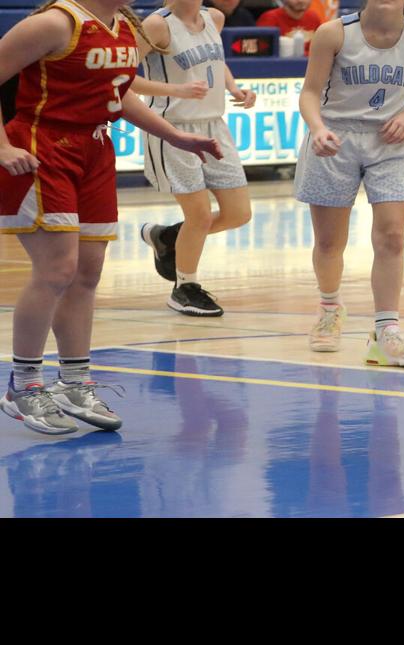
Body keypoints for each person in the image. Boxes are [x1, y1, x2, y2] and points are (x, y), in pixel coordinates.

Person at [1, 0, 223, 435]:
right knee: (56, 270)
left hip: (96, 149)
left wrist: (175, 136)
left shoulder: (122, 26)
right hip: (43, 146)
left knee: (87, 273)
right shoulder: (55, 23)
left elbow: (119, 95)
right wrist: (2, 147)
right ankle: (23, 386)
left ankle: (74, 382)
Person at [296, 0, 404, 365]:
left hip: (392, 140)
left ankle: (386, 332)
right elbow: (310, 92)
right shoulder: (333, 33)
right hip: (336, 136)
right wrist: (317, 128)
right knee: (329, 242)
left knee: (392, 236)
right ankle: (330, 308)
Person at [131, 0, 258, 318]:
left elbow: (215, 62)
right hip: (171, 127)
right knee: (199, 216)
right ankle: (184, 288)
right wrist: (176, 90)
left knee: (239, 213)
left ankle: (169, 236)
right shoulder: (157, 25)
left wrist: (234, 88)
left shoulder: (214, 17)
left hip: (214, 125)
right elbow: (120, 76)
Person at [257, 0, 326, 54]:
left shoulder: (313, 17)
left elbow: (322, 47)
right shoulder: (270, 18)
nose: (301, 1)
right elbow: (263, 50)